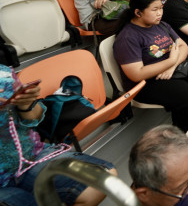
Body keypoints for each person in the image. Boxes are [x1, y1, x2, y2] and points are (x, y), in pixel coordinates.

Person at [0, 64, 118, 206]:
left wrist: (27, 103)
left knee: (104, 179)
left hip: (30, 156)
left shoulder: (5, 73)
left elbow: (34, 118)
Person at [113, 0, 188, 131]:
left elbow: (183, 46)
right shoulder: (128, 37)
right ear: (138, 13)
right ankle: (184, 136)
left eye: (161, 8)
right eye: (154, 9)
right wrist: (170, 62)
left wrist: (172, 64)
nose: (160, 13)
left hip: (172, 69)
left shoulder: (161, 25)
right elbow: (136, 74)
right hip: (148, 82)